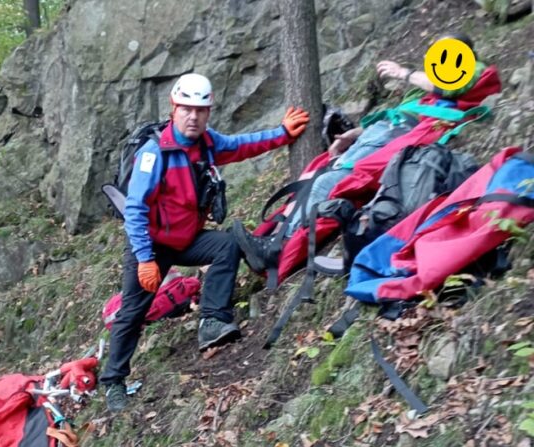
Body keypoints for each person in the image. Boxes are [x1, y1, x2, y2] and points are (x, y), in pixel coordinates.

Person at [99, 73, 309, 412]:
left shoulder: (207, 143)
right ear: (174, 108)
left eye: (200, 110)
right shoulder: (155, 154)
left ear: (208, 112)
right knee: (132, 313)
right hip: (150, 245)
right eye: (186, 109)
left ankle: (212, 321)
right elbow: (135, 210)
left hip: (186, 239)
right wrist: (144, 259)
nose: (193, 117)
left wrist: (282, 134)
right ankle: (112, 382)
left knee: (226, 244)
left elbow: (242, 146)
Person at [233, 32, 498, 273]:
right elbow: (403, 113)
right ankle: (273, 240)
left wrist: (403, 73)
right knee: (317, 175)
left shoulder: (472, 70)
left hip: (398, 133)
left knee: (331, 182)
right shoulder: (427, 91)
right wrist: (352, 135)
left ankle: (277, 248)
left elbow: (449, 86)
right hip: (386, 130)